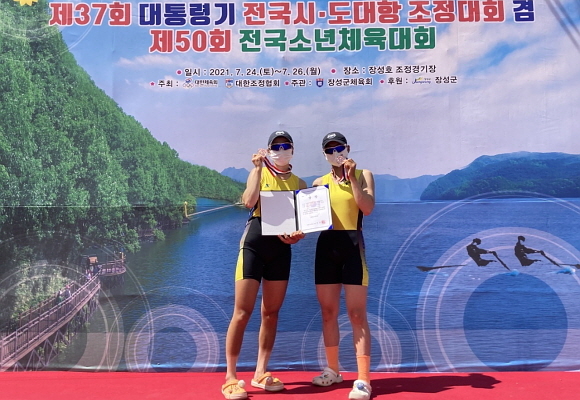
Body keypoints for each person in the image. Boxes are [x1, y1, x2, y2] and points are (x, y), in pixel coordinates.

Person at [221, 130, 307, 400]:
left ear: (292, 150)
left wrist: (297, 236)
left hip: (281, 250)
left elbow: (302, 224)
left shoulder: (300, 183)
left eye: (285, 145)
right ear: (269, 150)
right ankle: (230, 377)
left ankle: (260, 372)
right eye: (276, 146)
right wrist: (257, 169)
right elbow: (248, 201)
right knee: (242, 312)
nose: (281, 150)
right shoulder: (259, 171)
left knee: (271, 313)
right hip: (254, 244)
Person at [311, 132, 375, 400]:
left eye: (339, 148)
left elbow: (367, 208)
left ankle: (363, 380)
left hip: (352, 246)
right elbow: (310, 218)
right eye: (330, 149)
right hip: (326, 247)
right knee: (328, 312)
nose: (335, 153)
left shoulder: (364, 175)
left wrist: (352, 178)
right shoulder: (319, 183)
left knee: (357, 314)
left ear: (347, 148)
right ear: (324, 154)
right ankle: (333, 370)